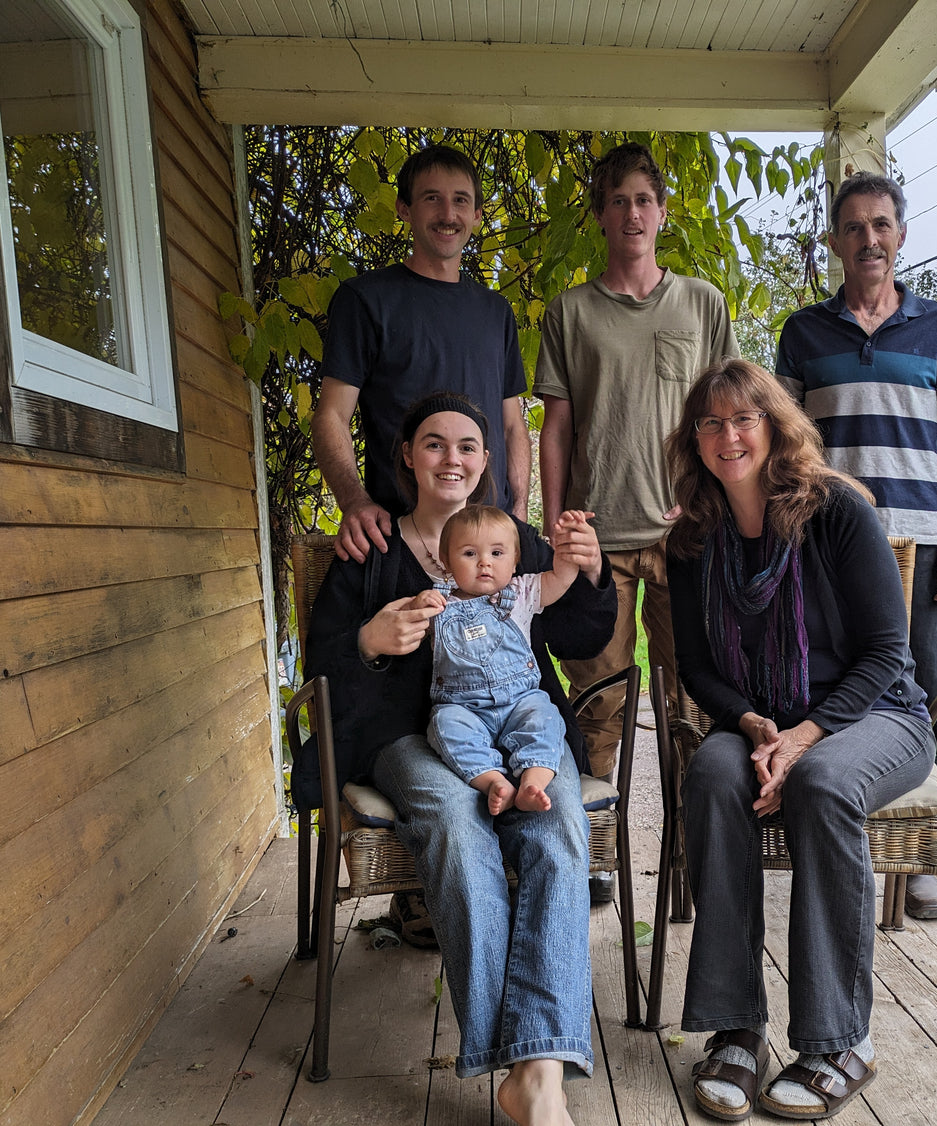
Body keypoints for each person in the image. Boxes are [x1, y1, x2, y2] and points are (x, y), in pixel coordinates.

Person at [303, 393, 616, 1125]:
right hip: (408, 739)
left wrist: (588, 569)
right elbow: (320, 666)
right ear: (406, 456)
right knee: (454, 816)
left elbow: (576, 630)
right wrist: (368, 643)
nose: (454, 458)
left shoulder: (515, 539)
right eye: (435, 444)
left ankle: (538, 1074)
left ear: (487, 461)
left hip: (519, 733)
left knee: (559, 822)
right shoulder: (369, 546)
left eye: (469, 446)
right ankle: (513, 1058)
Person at [664, 360, 934, 1122]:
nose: (728, 435)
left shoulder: (836, 513)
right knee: (714, 775)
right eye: (710, 423)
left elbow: (888, 652)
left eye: (742, 418)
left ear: (775, 426)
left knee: (821, 782)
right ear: (695, 439)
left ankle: (842, 1041)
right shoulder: (691, 539)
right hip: (761, 722)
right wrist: (753, 726)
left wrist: (805, 738)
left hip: (878, 716)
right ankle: (737, 1026)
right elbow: (698, 668)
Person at [774, 171, 937, 922]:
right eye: (855, 227)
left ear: (901, 235)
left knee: (924, 691)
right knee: (840, 686)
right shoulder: (803, 333)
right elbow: (785, 443)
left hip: (920, 541)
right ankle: (848, 836)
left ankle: (925, 861)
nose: (870, 239)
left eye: (882, 225)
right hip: (828, 548)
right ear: (835, 242)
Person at [535, 143, 738, 902]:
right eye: (617, 201)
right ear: (600, 214)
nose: (632, 214)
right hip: (600, 542)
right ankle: (589, 855)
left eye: (644, 200)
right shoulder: (571, 312)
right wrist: (558, 523)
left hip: (687, 537)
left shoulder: (701, 303)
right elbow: (556, 427)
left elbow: (728, 409)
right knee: (600, 701)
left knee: (692, 701)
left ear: (662, 211)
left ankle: (691, 859)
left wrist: (714, 496)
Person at [313, 143, 531, 565]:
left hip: (491, 545)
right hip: (402, 543)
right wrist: (354, 502)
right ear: (404, 209)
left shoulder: (496, 312)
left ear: (476, 216)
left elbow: (512, 426)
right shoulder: (365, 300)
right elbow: (331, 416)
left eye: (461, 201)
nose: (448, 214)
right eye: (432, 198)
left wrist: (518, 511)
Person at [417, 504, 596, 815]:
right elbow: (408, 628)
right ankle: (494, 783)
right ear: (445, 561)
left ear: (515, 561)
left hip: (520, 701)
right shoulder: (439, 605)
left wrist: (568, 545)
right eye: (470, 554)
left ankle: (533, 782)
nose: (484, 562)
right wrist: (418, 606)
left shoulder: (522, 592)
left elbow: (562, 577)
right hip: (464, 708)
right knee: (444, 726)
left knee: (545, 719)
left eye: (497, 554)